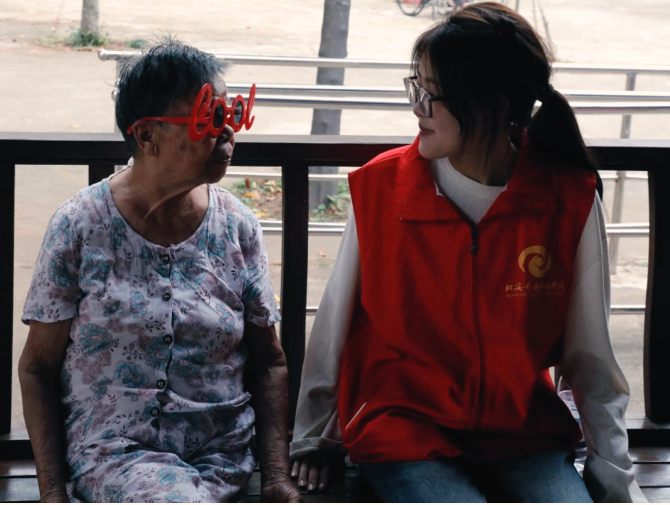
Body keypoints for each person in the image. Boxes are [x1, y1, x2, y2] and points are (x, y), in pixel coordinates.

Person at [290, 3, 646, 502]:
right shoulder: (381, 189)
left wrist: (614, 482)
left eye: (431, 94)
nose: (417, 108)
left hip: (522, 432)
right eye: (415, 88)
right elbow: (335, 324)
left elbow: (591, 359)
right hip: (404, 429)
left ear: (496, 105)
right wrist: (314, 437)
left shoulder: (568, 199)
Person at [19, 38, 301, 503]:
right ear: (147, 136)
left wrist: (276, 477)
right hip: (115, 454)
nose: (227, 133)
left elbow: (269, 361)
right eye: (209, 119)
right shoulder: (79, 225)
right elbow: (37, 367)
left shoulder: (237, 225)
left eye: (231, 115)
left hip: (221, 454)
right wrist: (52, 493)